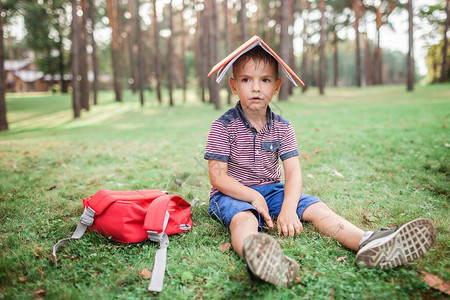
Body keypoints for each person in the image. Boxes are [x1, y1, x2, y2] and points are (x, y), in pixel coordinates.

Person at [204, 38, 436, 287]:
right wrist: (252, 196)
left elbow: (293, 173)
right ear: (234, 85)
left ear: (277, 86)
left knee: (317, 209)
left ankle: (368, 242)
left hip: (272, 190)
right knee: (244, 219)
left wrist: (289, 208)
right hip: (231, 194)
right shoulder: (223, 126)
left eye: (265, 80)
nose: (256, 88)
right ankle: (258, 257)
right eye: (246, 79)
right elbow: (218, 177)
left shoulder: (283, 127)